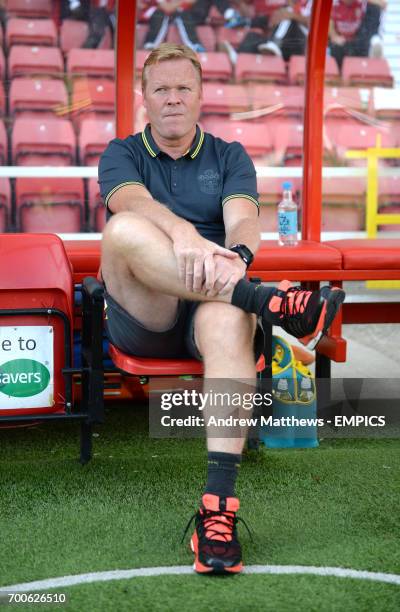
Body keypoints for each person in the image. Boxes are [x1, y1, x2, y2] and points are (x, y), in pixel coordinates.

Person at [98, 43, 345, 575]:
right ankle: (271, 303)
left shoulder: (229, 153)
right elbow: (129, 203)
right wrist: (185, 234)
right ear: (144, 98)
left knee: (229, 318)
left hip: (217, 296)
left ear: (201, 95)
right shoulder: (120, 152)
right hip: (150, 312)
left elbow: (242, 224)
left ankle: (218, 510)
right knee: (122, 231)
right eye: (161, 89)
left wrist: (234, 258)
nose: (172, 99)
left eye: (183, 88)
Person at [222, 0, 312, 64]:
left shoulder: (314, 3)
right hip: (281, 45)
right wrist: (274, 22)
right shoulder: (288, 6)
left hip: (301, 43)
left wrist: (291, 15)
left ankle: (275, 44)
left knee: (286, 19)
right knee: (252, 36)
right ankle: (238, 57)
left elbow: (316, 23)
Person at [142, 0, 237, 52]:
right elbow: (167, 7)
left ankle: (230, 14)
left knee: (184, 13)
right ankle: (151, 44)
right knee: (178, 14)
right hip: (163, 16)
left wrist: (178, 2)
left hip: (193, 14)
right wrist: (180, 2)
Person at [329, 0, 386, 68]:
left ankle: (374, 40)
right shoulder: (334, 4)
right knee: (337, 46)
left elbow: (383, 4)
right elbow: (329, 23)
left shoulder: (361, 2)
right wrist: (334, 36)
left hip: (357, 40)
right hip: (341, 42)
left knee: (374, 8)